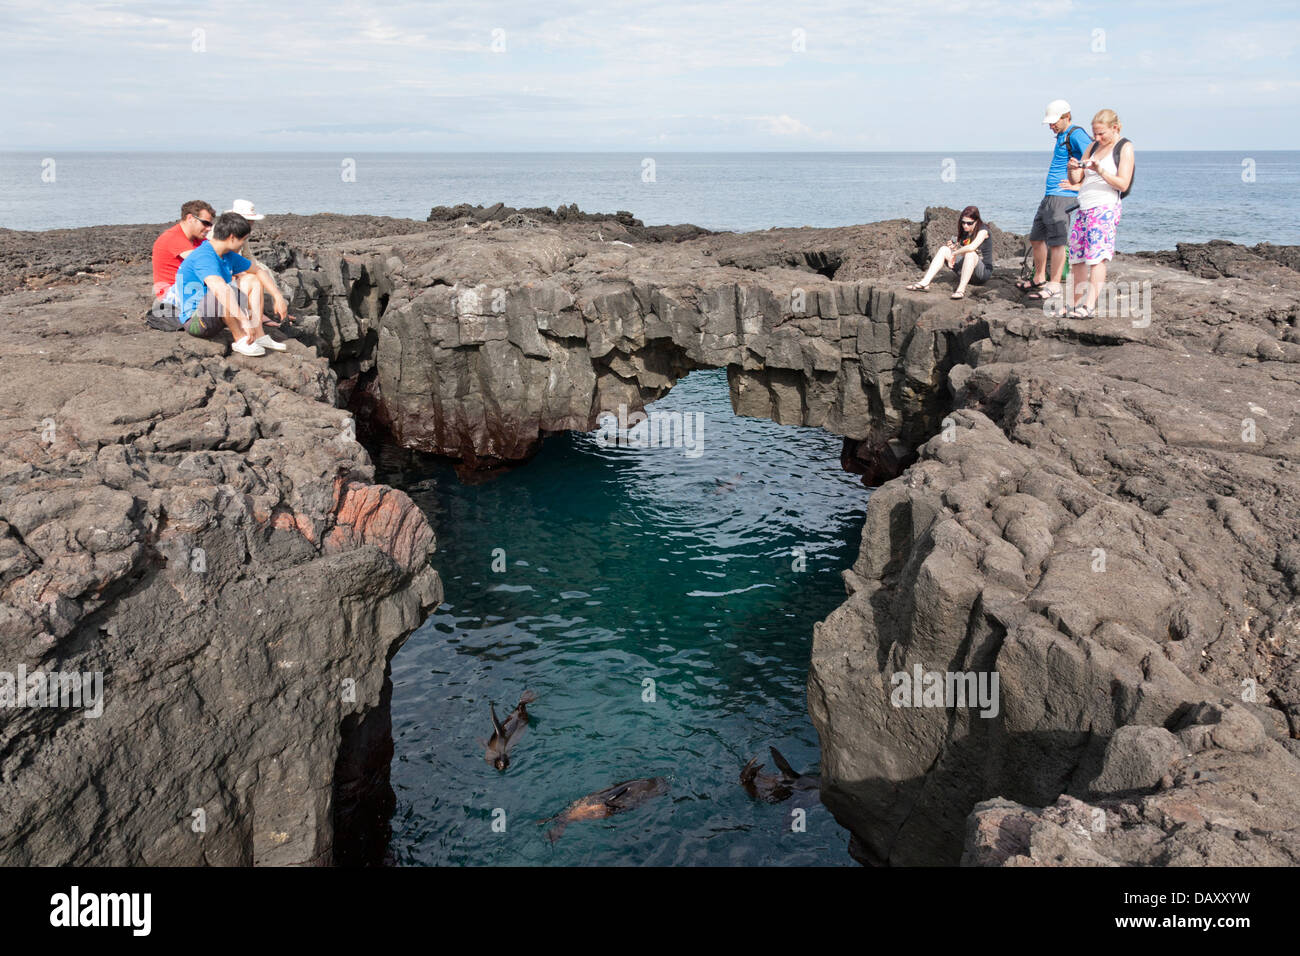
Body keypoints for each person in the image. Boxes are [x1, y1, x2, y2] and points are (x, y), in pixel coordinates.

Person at [174, 212, 286, 356]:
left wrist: (278, 297)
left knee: (252, 279)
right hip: (197, 322)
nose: (243, 244)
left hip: (215, 312)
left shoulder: (227, 254)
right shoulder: (204, 256)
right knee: (224, 289)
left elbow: (258, 271)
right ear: (232, 237)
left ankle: (259, 335)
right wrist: (244, 320)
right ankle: (240, 339)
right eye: (243, 240)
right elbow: (220, 290)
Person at [1017, 99, 1092, 307]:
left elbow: (1093, 160)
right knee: (1036, 237)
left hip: (1062, 197)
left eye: (1054, 122)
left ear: (1066, 116)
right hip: (1050, 195)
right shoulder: (1061, 135)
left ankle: (1055, 284)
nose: (1051, 126)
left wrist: (1080, 186)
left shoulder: (1076, 134)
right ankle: (1039, 276)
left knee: (1057, 241)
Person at [1064, 109, 1134, 318]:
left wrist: (1100, 170)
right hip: (1084, 206)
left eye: (1101, 133)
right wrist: (1073, 167)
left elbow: (1123, 184)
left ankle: (1089, 305)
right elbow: (1077, 179)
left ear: (1115, 128)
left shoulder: (1124, 147)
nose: (1097, 137)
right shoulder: (1093, 146)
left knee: (1096, 257)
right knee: (1076, 257)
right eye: (1095, 133)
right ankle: (1075, 304)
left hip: (1104, 207)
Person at [218, 199, 292, 330]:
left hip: (237, 264)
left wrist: (254, 268)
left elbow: (248, 255)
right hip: (227, 273)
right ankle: (258, 315)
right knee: (252, 278)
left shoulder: (241, 233)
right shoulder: (222, 233)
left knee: (263, 270)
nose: (252, 224)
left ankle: (277, 307)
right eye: (249, 220)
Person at [907, 206, 994, 299]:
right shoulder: (965, 232)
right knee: (944, 249)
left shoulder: (983, 230)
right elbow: (963, 250)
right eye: (963, 222)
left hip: (982, 273)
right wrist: (954, 247)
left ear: (977, 221)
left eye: (969, 223)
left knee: (970, 253)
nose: (965, 225)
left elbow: (972, 247)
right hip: (967, 270)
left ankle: (961, 290)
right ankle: (925, 282)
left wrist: (954, 253)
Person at [149, 200, 214, 319]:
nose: (209, 229)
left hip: (189, 287)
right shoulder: (173, 237)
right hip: (170, 296)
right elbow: (202, 262)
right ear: (190, 218)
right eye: (205, 223)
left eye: (210, 225)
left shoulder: (198, 239)